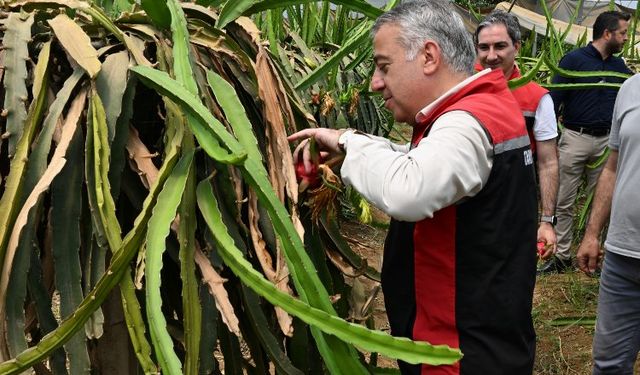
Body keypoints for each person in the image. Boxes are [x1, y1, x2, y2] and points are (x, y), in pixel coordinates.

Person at [289, 1, 538, 373]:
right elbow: (421, 158)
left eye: (384, 66)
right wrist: (353, 143)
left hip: (456, 355)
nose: (375, 82)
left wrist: (349, 144)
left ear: (428, 56)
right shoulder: (484, 108)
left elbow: (408, 191)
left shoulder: (466, 122)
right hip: (487, 335)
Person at [540, 10, 633, 274]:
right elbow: (553, 100)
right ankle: (560, 257)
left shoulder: (620, 68)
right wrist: (554, 136)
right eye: (623, 33)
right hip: (574, 137)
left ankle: (594, 257)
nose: (626, 38)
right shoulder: (573, 60)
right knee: (564, 199)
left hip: (607, 144)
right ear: (607, 33)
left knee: (601, 203)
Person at [475, 10, 559, 259]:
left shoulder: (538, 98)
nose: (491, 56)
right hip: (466, 206)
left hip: (514, 207)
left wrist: (546, 220)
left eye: (500, 46)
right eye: (484, 47)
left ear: (517, 47)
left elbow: (548, 162)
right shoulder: (461, 89)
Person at [576, 74, 640, 374]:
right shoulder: (630, 89)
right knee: (608, 364)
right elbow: (613, 166)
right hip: (622, 257)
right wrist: (592, 233)